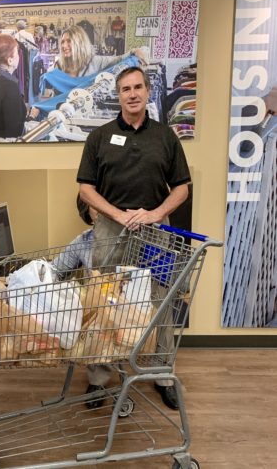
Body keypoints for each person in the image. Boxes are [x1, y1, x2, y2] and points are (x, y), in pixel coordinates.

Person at [77, 66, 191, 410]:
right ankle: (99, 379)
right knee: (104, 305)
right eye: (125, 88)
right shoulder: (99, 137)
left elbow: (182, 188)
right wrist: (116, 213)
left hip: (156, 230)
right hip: (112, 228)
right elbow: (85, 188)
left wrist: (155, 214)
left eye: (138, 87)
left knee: (160, 303)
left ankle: (160, 375)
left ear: (146, 89)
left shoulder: (166, 136)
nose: (132, 93)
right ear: (119, 94)